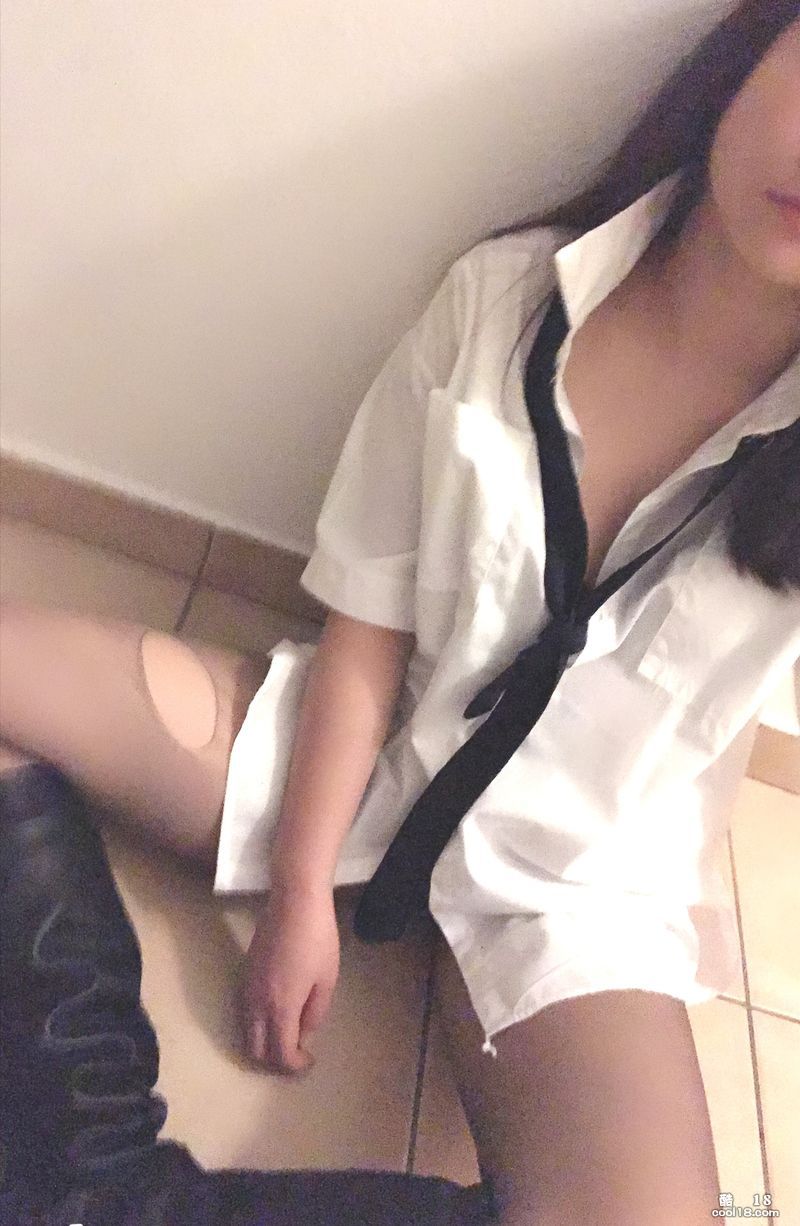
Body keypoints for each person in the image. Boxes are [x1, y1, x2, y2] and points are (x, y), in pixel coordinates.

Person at [1, 2, 798, 1222]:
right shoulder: (506, 296)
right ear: (748, 56)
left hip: (573, 885)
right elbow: (366, 626)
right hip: (368, 751)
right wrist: (300, 891)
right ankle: (91, 1169)